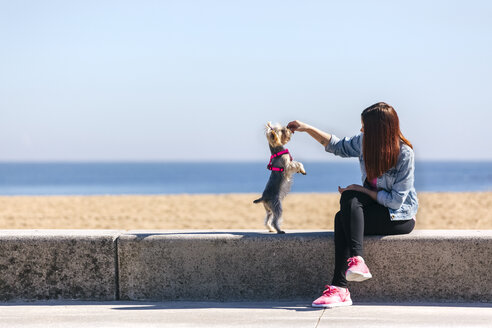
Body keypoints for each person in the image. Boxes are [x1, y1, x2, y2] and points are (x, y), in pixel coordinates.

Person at [287, 102, 418, 308]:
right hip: (374, 208)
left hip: (398, 217)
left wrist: (364, 189)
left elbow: (395, 201)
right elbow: (337, 146)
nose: (361, 130)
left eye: (364, 126)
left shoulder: (404, 154)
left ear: (378, 129)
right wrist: (307, 128)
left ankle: (340, 288)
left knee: (342, 218)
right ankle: (357, 261)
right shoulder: (364, 142)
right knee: (348, 198)